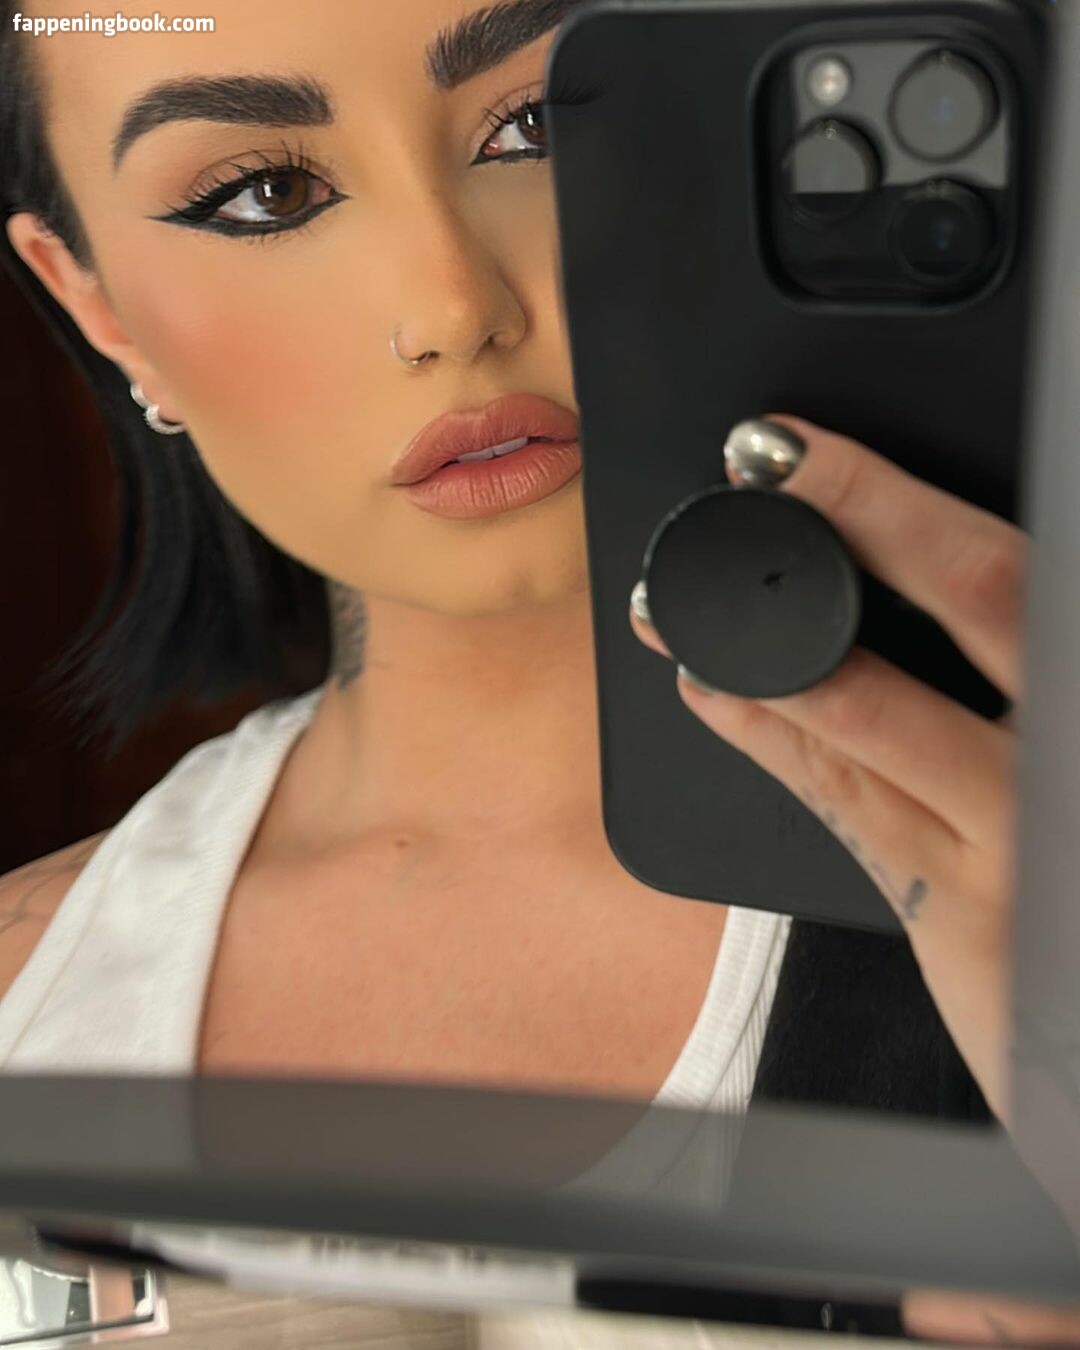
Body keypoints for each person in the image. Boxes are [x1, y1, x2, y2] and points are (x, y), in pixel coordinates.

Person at [0, 0, 1017, 1165]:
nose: (456, 309)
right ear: (98, 305)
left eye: (540, 127)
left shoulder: (1037, 864)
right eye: (265, 195)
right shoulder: (28, 999)